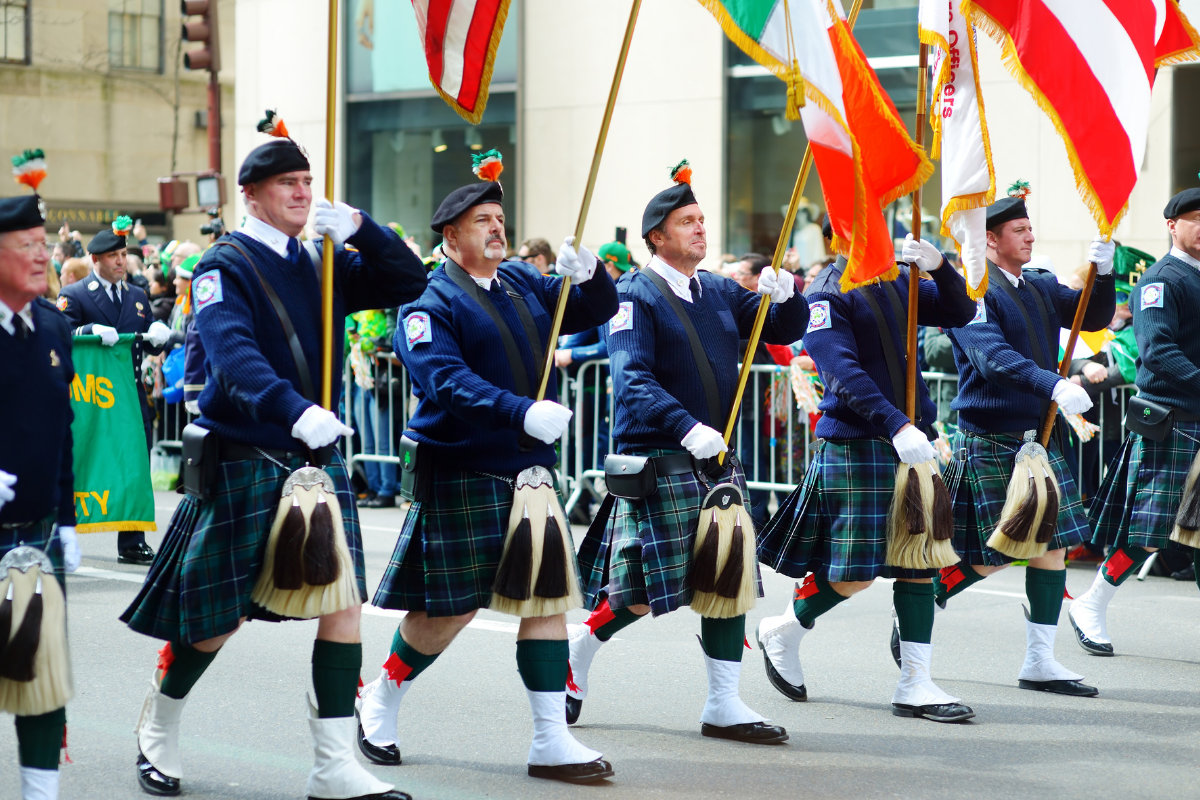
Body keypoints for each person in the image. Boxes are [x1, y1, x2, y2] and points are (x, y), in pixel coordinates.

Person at [118, 129, 427, 800]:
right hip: (250, 454)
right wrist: (293, 409)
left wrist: (363, 229)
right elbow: (231, 355)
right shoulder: (221, 266)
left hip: (314, 460)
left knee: (343, 605)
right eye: (289, 184)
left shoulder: (324, 259)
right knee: (216, 619)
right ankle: (159, 725)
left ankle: (333, 767)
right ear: (252, 195)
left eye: (308, 183)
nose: (303, 193)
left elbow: (411, 279)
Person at [357, 160, 619, 784]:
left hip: (529, 471)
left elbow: (590, 309)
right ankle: (381, 697)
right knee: (450, 610)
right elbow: (444, 382)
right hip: (463, 466)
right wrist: (521, 411)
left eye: (501, 220)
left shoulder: (525, 283)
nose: (498, 230)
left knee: (547, 601)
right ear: (451, 235)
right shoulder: (426, 302)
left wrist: (596, 276)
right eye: (483, 221)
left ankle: (551, 739)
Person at [569, 163, 807, 744]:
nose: (700, 229)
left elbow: (778, 326)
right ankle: (578, 650)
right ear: (657, 236)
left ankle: (724, 703)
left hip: (717, 463)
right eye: (687, 222)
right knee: (647, 590)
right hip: (664, 459)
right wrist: (686, 427)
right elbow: (632, 379)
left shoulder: (721, 289)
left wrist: (789, 297)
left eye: (702, 219)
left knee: (727, 582)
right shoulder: (631, 296)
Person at [755, 233, 978, 722]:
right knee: (855, 572)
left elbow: (960, 311)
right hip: (860, 441)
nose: (884, 229)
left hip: (911, 440)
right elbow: (842, 373)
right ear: (844, 231)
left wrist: (940, 266)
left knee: (921, 558)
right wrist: (896, 423)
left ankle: (915, 682)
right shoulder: (825, 291)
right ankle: (786, 629)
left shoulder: (901, 276)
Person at [931, 186, 1115, 697]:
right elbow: (993, 360)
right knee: (996, 554)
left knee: (1050, 548)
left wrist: (1105, 272)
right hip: (991, 435)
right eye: (1019, 230)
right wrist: (1054, 384)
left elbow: (1090, 316)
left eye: (1030, 228)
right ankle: (926, 598)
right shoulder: (971, 291)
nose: (1030, 235)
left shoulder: (1035, 284)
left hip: (1038, 437)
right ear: (989, 240)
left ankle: (1040, 661)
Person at [1073, 188, 1200, 653]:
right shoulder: (1159, 281)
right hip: (1172, 421)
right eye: (1195, 218)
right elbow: (1158, 353)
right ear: (1172, 225)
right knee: (1149, 532)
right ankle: (1091, 603)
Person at [0, 192, 82, 800]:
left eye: (41, 242)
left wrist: (70, 515)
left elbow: (62, 428)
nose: (40, 255)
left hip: (35, 531)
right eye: (25, 245)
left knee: (41, 668)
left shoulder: (54, 324)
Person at [57, 217, 172, 565]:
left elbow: (144, 346)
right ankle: (62, 532)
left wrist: (156, 335)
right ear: (96, 260)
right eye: (113, 256)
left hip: (129, 394)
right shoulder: (75, 293)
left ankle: (132, 540)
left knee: (135, 463)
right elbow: (62, 332)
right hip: (90, 396)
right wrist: (89, 329)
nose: (122, 261)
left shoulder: (137, 296)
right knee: (80, 459)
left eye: (123, 254)